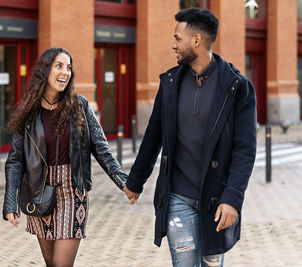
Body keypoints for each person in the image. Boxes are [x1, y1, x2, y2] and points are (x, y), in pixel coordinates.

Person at [123, 8, 257, 267]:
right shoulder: (170, 83)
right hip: (177, 198)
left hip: (217, 200)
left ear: (196, 40)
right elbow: (153, 136)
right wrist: (135, 182)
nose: (173, 45)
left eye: (178, 38)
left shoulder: (236, 86)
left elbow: (245, 149)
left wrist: (233, 198)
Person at [2, 47, 128, 267]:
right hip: (39, 191)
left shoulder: (79, 106)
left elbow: (101, 149)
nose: (65, 72)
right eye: (59, 66)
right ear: (45, 71)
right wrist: (10, 203)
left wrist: (124, 182)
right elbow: (15, 160)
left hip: (72, 191)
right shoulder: (28, 111)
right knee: (51, 263)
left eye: (68, 67)